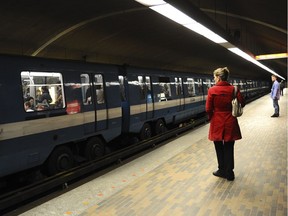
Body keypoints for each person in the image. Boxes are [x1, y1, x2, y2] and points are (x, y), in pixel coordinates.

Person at [206, 67, 245, 181]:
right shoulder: (234, 89)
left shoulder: (212, 90)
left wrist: (211, 118)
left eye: (214, 77)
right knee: (229, 147)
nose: (214, 79)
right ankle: (230, 173)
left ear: (218, 77)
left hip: (217, 122)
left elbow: (208, 108)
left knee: (218, 147)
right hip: (230, 121)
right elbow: (242, 103)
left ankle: (221, 169)